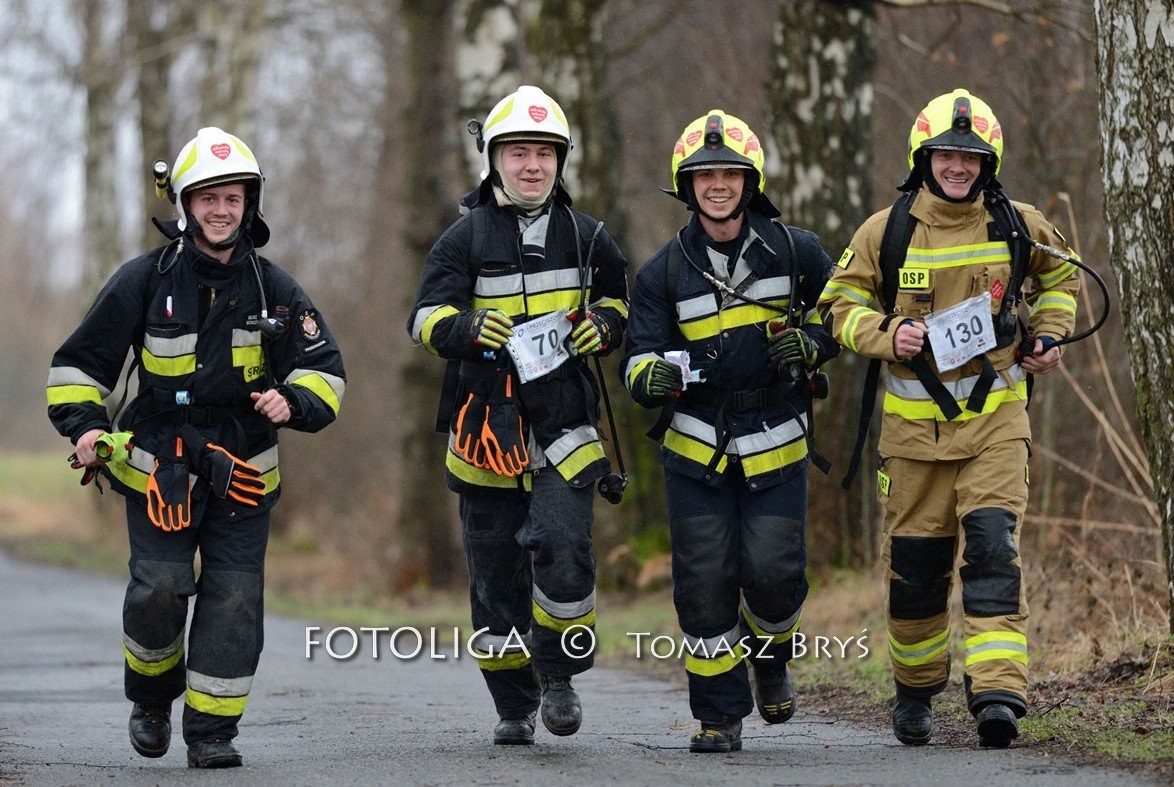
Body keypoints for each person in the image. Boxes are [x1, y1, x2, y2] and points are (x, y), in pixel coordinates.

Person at [46, 127, 346, 768]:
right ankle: (152, 698)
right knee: (157, 589)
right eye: (207, 197)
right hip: (159, 465)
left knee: (234, 601)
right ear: (184, 204)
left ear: (250, 204)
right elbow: (80, 366)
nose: (220, 209)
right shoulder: (141, 280)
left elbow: (325, 369)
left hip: (244, 469)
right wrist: (86, 428)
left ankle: (212, 733)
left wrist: (293, 401)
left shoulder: (277, 291)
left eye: (232, 197)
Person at [818, 88, 1080, 748]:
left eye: (972, 156)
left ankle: (998, 692)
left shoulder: (1018, 223)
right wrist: (886, 333)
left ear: (989, 163)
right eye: (947, 154)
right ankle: (916, 687)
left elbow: (1063, 280)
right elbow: (836, 306)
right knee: (917, 572)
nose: (959, 166)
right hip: (912, 438)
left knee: (994, 550)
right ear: (923, 157)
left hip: (996, 420)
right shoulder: (886, 230)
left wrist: (1047, 337)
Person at [406, 85, 628, 746]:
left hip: (565, 426)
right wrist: (469, 326)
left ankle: (558, 674)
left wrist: (604, 328)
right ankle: (512, 698)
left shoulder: (590, 237)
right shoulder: (462, 237)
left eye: (543, 153)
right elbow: (423, 319)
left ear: (560, 161)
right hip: (485, 430)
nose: (531, 165)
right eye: (517, 152)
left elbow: (623, 305)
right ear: (493, 159)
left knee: (564, 547)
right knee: (495, 577)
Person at [622, 110, 838, 753]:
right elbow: (636, 355)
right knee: (703, 580)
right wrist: (648, 378)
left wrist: (815, 344)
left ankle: (770, 659)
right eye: (704, 175)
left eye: (730, 173)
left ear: (751, 181)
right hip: (694, 449)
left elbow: (844, 313)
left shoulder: (798, 251)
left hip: (778, 438)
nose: (718, 184)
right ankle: (718, 714)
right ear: (685, 187)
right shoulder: (661, 271)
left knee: (775, 576)